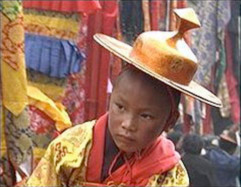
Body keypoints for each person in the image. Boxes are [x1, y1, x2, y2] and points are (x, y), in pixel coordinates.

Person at [23, 8, 222, 186]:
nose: (128, 124)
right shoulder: (69, 148)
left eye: (145, 116)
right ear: (111, 99)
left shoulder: (170, 175)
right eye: (120, 107)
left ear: (170, 121)